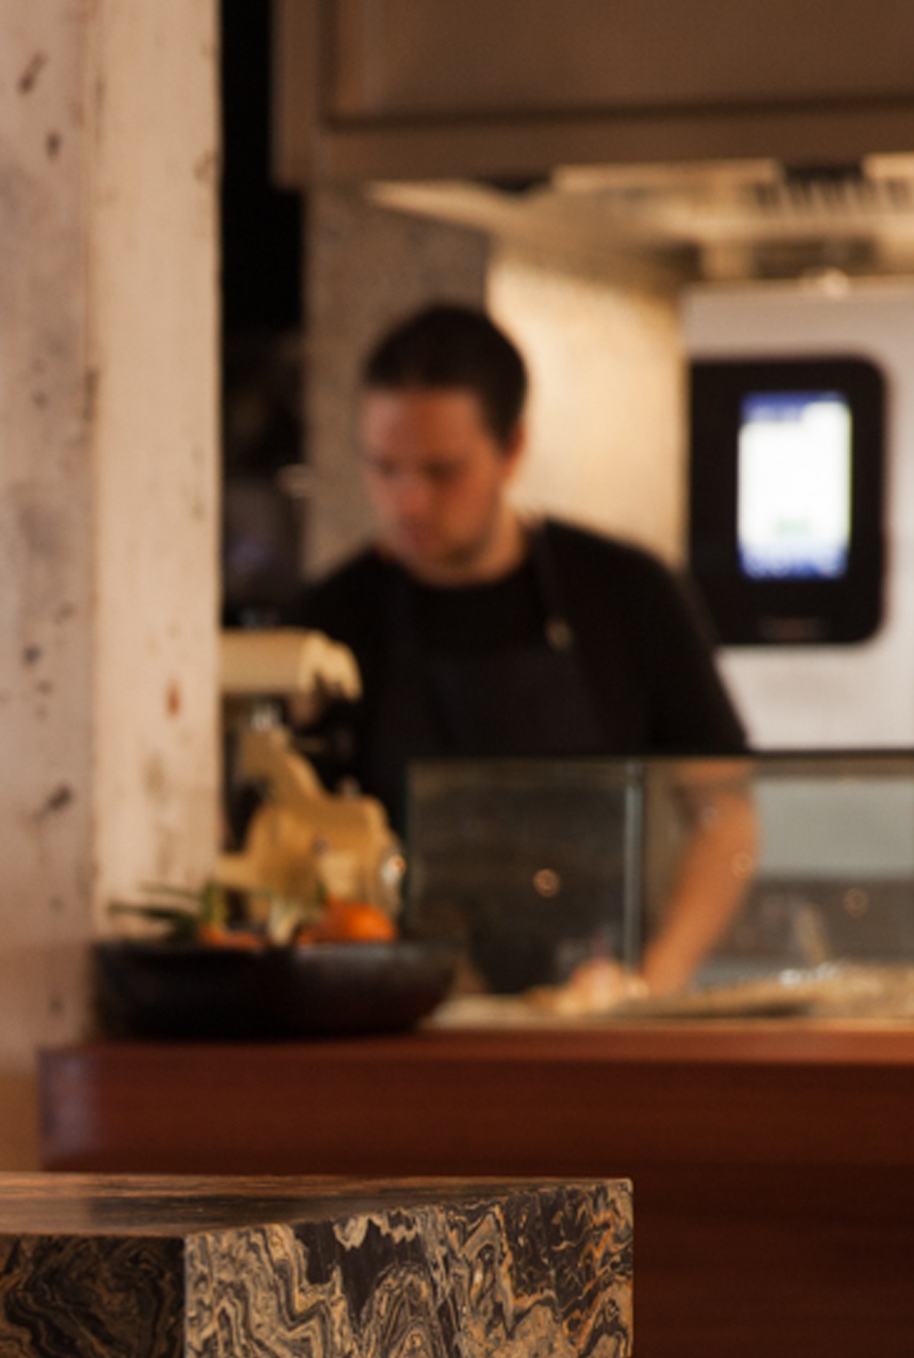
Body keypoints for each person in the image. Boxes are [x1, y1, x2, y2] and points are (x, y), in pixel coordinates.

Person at [293, 303, 753, 1002]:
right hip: (412, 1013)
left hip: (600, 1000)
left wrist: (650, 984)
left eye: (442, 472)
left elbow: (725, 815)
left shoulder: (627, 591)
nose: (408, 501)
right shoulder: (329, 622)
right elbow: (294, 851)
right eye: (384, 468)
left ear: (512, 449)